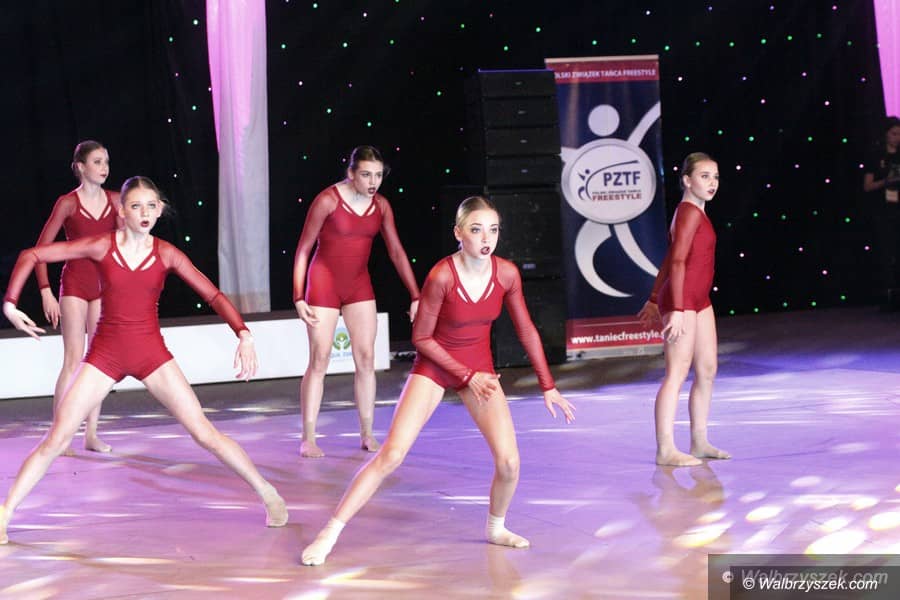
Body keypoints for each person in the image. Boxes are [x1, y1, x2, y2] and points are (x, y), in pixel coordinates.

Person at [0, 176, 287, 545]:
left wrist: (243, 333)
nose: (144, 213)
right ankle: (5, 512)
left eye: (151, 206)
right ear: (122, 212)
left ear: (160, 209)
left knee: (204, 433)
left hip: (150, 352)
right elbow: (32, 254)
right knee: (56, 437)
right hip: (105, 353)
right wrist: (10, 304)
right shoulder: (101, 245)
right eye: (136, 206)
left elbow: (213, 294)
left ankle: (268, 493)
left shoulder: (166, 253)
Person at [300, 195, 575, 566]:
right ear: (458, 233)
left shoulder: (507, 274)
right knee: (391, 455)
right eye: (476, 230)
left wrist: (548, 385)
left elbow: (526, 330)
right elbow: (422, 339)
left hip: (478, 369)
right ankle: (329, 532)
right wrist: (466, 375)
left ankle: (496, 527)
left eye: (493, 230)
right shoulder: (442, 275)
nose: (486, 239)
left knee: (509, 462)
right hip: (435, 366)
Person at [292, 145, 420, 458]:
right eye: (366, 175)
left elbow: (396, 252)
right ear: (351, 173)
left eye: (378, 175)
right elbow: (304, 248)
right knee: (320, 359)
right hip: (324, 283)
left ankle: (367, 433)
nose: (373, 182)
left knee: (366, 358)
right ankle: (308, 437)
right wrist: (298, 295)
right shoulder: (327, 200)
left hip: (358, 285)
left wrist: (416, 295)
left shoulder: (382, 206)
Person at [638, 152, 730, 467]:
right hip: (683, 300)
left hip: (699, 300)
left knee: (707, 369)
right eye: (704, 176)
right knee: (677, 372)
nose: (712, 183)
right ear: (687, 180)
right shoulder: (689, 212)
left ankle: (699, 441)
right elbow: (677, 262)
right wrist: (675, 308)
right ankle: (665, 449)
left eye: (715, 177)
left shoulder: (695, 212)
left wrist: (653, 297)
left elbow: (669, 257)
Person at [34, 140, 121, 452]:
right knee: (73, 359)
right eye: (97, 162)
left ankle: (91, 434)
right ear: (81, 167)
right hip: (75, 285)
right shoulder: (68, 203)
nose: (104, 168)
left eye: (106, 162)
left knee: (96, 363)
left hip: (103, 287)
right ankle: (60, 436)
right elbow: (41, 250)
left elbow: (125, 246)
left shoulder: (115, 201)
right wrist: (46, 291)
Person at [862, 116, 900, 306]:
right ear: (886, 134)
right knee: (886, 251)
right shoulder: (876, 155)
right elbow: (867, 186)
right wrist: (886, 181)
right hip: (883, 210)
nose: (897, 138)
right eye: (894, 134)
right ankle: (887, 294)